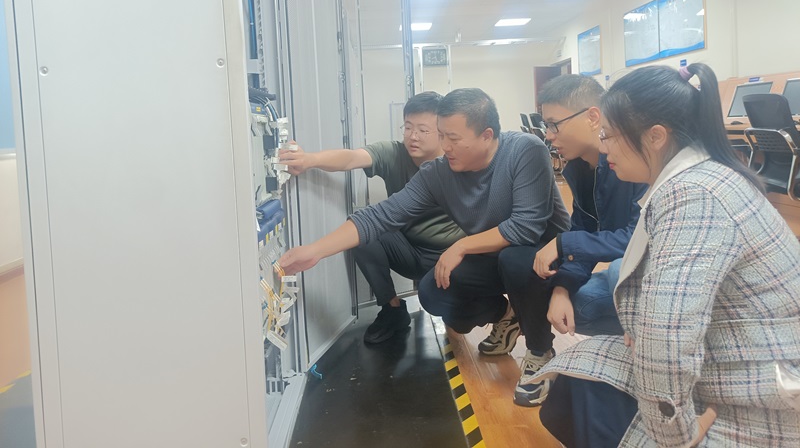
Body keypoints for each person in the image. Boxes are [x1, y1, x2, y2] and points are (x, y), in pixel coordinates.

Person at [534, 64, 800, 447]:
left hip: (760, 386)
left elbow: (668, 337)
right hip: (732, 353)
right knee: (572, 387)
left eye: (608, 136)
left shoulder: (692, 195)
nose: (604, 147)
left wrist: (674, 436)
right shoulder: (696, 177)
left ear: (656, 136)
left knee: (589, 391)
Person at [278, 88, 571, 404]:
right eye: (441, 136)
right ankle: (508, 314)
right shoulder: (438, 173)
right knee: (434, 292)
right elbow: (380, 215)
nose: (445, 146)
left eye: (453, 138)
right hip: (494, 257)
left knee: (514, 259)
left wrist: (460, 247)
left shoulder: (525, 150)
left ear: (487, 135)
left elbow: (526, 228)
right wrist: (314, 251)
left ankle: (540, 351)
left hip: (544, 258)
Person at [278, 91, 465, 344]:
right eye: (408, 127)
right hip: (409, 251)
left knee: (455, 317)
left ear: (441, 132)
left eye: (423, 130)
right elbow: (352, 158)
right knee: (363, 232)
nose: (413, 136)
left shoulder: (455, 163)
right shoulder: (394, 153)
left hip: (449, 259)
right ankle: (392, 310)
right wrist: (309, 160)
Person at [532, 75, 647, 341]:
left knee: (619, 270)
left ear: (593, 117)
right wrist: (562, 288)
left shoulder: (634, 165)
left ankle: (651, 341)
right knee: (572, 303)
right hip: (632, 274)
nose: (548, 135)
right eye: (546, 125)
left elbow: (639, 239)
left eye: (554, 125)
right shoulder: (580, 170)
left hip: (658, 275)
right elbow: (584, 229)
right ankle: (632, 339)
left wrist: (564, 243)